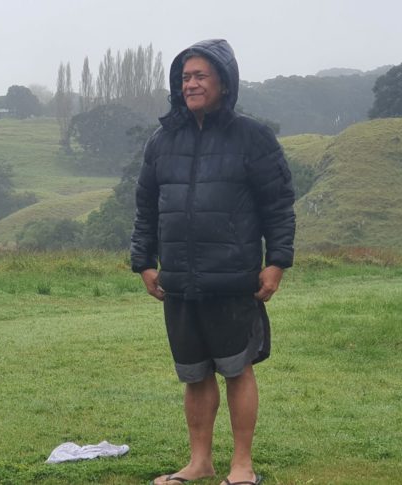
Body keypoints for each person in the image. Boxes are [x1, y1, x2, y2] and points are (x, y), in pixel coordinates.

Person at [130, 40, 296, 485]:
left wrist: (276, 261)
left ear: (224, 82)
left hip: (234, 277)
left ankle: (241, 466)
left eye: (201, 75)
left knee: (236, 370)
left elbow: (278, 204)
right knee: (194, 374)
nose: (191, 83)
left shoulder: (252, 137)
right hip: (179, 280)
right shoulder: (163, 140)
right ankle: (199, 463)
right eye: (185, 77)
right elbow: (146, 205)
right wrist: (144, 261)